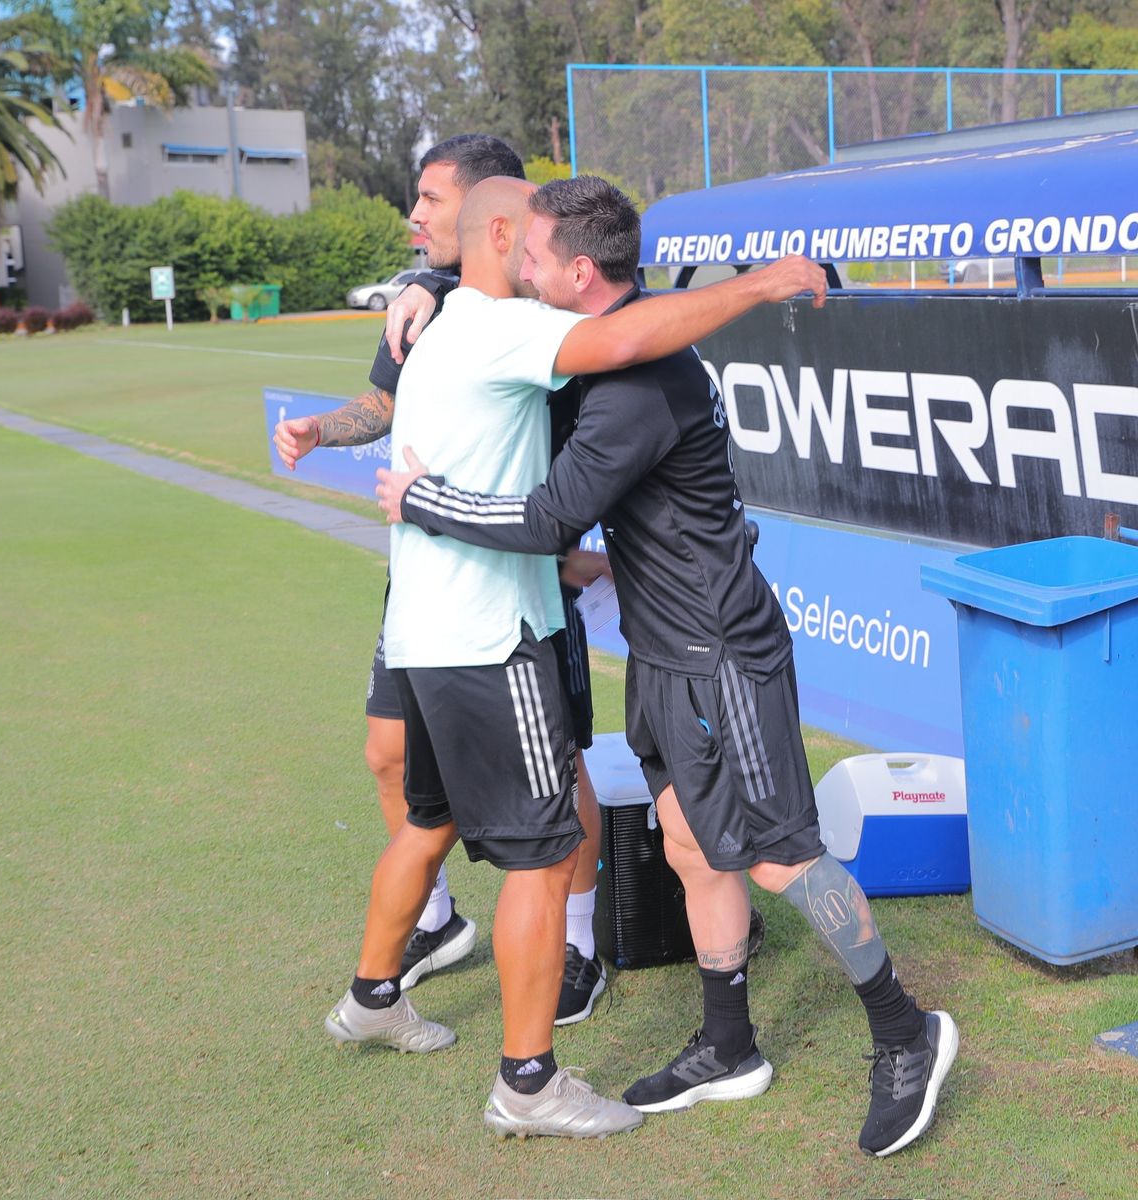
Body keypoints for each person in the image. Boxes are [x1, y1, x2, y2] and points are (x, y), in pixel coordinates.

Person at [375, 176, 958, 1158]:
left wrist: (421, 499)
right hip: (663, 649)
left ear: (581, 273)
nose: (520, 270)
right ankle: (729, 1045)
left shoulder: (636, 386)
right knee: (690, 844)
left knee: (778, 852)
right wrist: (426, 286)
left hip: (720, 650)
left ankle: (907, 1030)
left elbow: (548, 521)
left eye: (534, 259)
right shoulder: (606, 343)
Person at [273, 135, 609, 1024]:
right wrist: (320, 429)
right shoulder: (427, 306)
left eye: (430, 199)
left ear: (488, 212)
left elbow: (618, 323)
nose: (415, 215)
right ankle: (431, 931)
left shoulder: (540, 301)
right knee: (392, 760)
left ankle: (577, 946)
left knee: (559, 771)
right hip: (429, 590)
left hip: (518, 575)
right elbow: (385, 405)